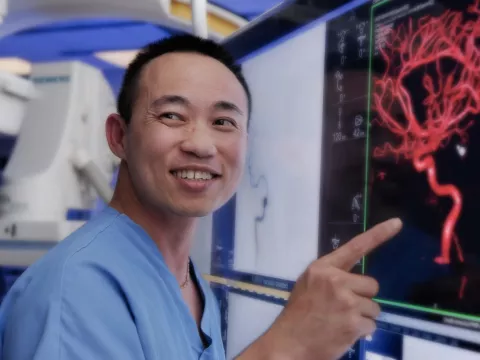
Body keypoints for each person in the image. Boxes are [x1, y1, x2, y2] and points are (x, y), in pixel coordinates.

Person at [0, 34, 402, 360]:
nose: (202, 145)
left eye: (223, 121)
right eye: (172, 115)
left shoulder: (191, 287)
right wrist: (287, 348)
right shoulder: (77, 291)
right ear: (119, 136)